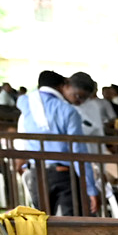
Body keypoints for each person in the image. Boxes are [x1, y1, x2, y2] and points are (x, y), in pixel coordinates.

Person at [17, 69, 95, 215]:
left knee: (39, 224)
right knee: (71, 228)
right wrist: (90, 188)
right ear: (64, 85)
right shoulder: (68, 111)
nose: (79, 100)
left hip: (37, 171)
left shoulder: (26, 102)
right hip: (63, 175)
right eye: (78, 96)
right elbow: (78, 151)